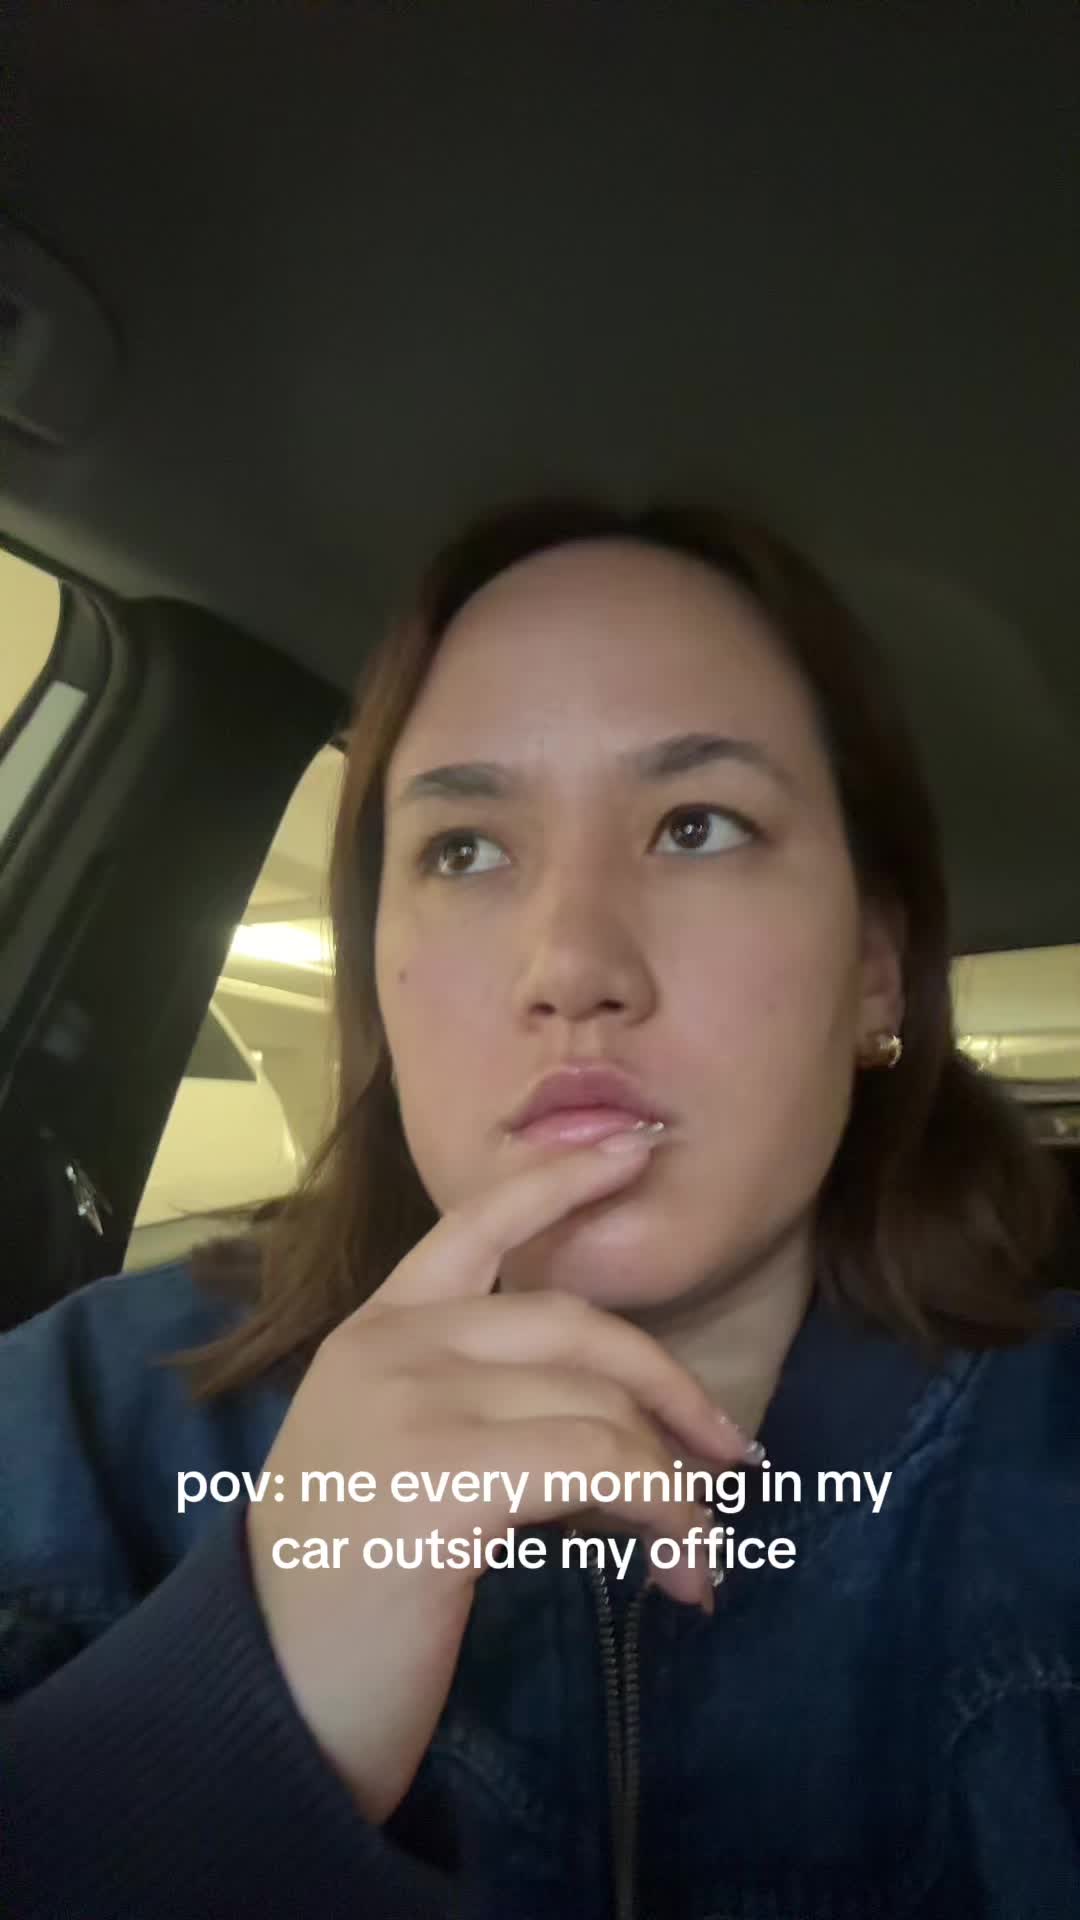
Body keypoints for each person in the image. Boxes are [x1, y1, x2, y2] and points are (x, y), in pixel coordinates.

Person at [3, 498, 1078, 1919]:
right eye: (464, 849)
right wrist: (236, 1712)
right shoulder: (76, 1423)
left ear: (876, 966)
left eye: (697, 827)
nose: (571, 966)